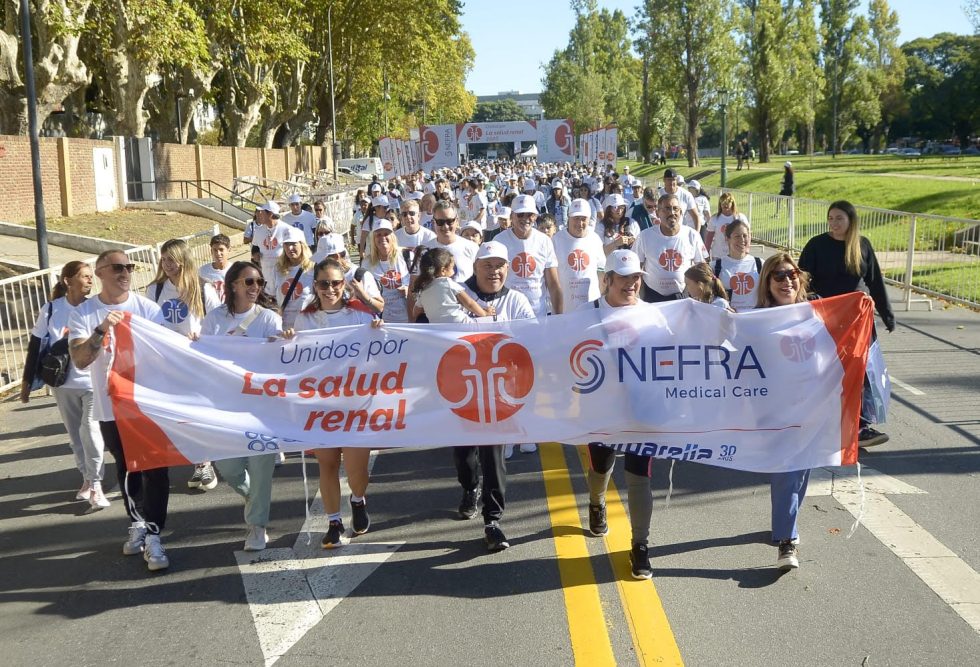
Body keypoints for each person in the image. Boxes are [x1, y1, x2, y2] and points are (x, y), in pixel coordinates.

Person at [68, 249, 169, 570]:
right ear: (99, 272)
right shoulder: (84, 313)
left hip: (147, 405)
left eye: (129, 267)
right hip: (111, 407)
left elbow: (166, 354)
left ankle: (154, 535)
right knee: (127, 468)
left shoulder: (147, 309)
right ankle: (137, 522)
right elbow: (80, 360)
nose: (125, 272)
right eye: (117, 267)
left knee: (156, 468)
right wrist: (101, 330)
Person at [289, 258, 382, 548]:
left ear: (344, 284)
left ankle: (358, 499)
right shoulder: (305, 319)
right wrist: (288, 340)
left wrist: (378, 330)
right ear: (315, 285)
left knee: (356, 471)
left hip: (356, 403)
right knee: (327, 464)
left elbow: (378, 354)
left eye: (336, 283)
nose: (330, 289)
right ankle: (333, 522)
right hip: (321, 404)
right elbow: (296, 358)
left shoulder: (360, 315)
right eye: (323, 283)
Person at [454, 241, 535, 550]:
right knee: (464, 455)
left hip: (498, 392)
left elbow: (534, 338)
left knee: (494, 455)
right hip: (462, 389)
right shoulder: (458, 294)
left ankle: (493, 520)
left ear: (508, 268)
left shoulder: (517, 300)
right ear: (475, 267)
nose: (494, 271)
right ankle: (469, 487)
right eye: (487, 265)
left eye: (500, 265)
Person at [581, 249, 657, 579]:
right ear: (607, 280)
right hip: (600, 408)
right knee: (601, 465)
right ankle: (596, 502)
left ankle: (640, 545)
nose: (631, 284)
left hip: (641, 409)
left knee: (639, 475)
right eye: (624, 278)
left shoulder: (652, 315)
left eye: (636, 277)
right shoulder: (585, 315)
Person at [199, 261, 284, 551]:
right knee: (230, 468)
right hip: (225, 405)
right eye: (249, 282)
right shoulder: (214, 320)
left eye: (259, 282)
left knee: (261, 469)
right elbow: (203, 357)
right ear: (233, 284)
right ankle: (254, 498)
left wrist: (282, 344)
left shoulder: (269, 319)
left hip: (262, 407)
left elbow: (279, 359)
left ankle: (257, 526)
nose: (255, 287)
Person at [798, 200, 895, 448]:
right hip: (826, 322)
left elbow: (874, 281)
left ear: (851, 220)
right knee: (829, 372)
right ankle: (824, 423)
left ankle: (860, 426)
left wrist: (887, 314)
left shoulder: (862, 246)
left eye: (839, 218)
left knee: (860, 373)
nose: (834, 223)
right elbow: (801, 279)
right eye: (830, 218)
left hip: (858, 323)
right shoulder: (817, 245)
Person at [21, 261, 109, 509]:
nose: (90, 280)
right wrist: (27, 382)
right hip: (62, 383)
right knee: (75, 435)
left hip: (92, 381)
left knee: (90, 430)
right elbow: (36, 346)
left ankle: (96, 484)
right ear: (67, 281)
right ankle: (86, 477)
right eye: (84, 276)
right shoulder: (51, 309)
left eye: (91, 276)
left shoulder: (95, 307)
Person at [755, 252, 814, 571]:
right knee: (787, 471)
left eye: (791, 274)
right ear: (767, 283)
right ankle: (786, 540)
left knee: (801, 471)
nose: (787, 280)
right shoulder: (756, 320)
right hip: (775, 411)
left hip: (813, 406)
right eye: (778, 276)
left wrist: (864, 306)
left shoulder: (816, 310)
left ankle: (785, 523)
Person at [147, 239, 222, 490]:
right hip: (169, 363)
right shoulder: (155, 290)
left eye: (172, 259)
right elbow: (150, 323)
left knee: (198, 413)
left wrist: (203, 338)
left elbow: (218, 321)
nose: (167, 264)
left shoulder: (203, 288)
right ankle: (201, 461)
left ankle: (205, 462)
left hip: (197, 361)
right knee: (182, 416)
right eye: (164, 259)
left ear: (183, 259)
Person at [495, 194, 564, 320]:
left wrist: (559, 319)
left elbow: (553, 284)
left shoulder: (544, 241)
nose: (525, 219)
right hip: (507, 316)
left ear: (535, 216)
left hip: (538, 316)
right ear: (512, 216)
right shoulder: (499, 241)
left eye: (530, 214)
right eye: (520, 214)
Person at [632, 193, 708, 302]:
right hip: (653, 296)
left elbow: (701, 266)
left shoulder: (692, 235)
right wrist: (638, 296)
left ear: (681, 212)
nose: (672, 213)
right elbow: (635, 267)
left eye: (675, 209)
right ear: (657, 213)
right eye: (667, 209)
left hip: (683, 295)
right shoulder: (644, 236)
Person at [412, 248, 494, 323]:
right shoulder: (448, 283)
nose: (454, 271)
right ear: (443, 270)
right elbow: (469, 304)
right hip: (460, 323)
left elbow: (416, 312)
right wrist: (485, 313)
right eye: (452, 267)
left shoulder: (424, 290)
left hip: (437, 328)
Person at [552, 198, 606, 311]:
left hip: (591, 306)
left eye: (583, 219)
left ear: (589, 219)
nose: (579, 223)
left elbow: (601, 272)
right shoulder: (556, 240)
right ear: (569, 218)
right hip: (566, 307)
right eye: (576, 218)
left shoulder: (595, 239)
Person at [362, 220, 411, 323]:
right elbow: (365, 293)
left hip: (409, 319)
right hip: (383, 321)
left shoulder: (407, 256)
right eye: (378, 235)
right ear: (373, 239)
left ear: (392, 236)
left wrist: (409, 290)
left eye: (386, 234)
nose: (382, 238)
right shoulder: (366, 263)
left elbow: (420, 284)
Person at [712, 219, 762, 312]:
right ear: (727, 238)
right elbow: (708, 295)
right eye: (737, 236)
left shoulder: (760, 264)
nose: (742, 240)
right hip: (728, 318)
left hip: (754, 318)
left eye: (745, 236)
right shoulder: (715, 266)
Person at [273, 226, 316, 329]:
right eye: (286, 244)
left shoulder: (313, 267)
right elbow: (273, 296)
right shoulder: (277, 268)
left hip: (306, 326)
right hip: (283, 327)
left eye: (293, 244)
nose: (290, 248)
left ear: (302, 245)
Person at [251, 200, 291, 295]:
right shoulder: (259, 231)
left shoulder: (287, 230)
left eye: (262, 212)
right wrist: (255, 254)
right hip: (266, 275)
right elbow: (255, 247)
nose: (259, 214)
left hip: (284, 274)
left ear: (270, 214)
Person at [704, 192, 748, 260]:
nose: (725, 205)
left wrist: (747, 248)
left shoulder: (740, 217)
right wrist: (706, 253)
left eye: (728, 203)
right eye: (723, 203)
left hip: (736, 254)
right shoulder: (714, 219)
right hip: (718, 255)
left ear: (732, 203)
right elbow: (709, 237)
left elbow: (748, 234)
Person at [199, 233, 231, 301]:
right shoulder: (202, 271)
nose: (218, 253)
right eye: (215, 250)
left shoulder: (236, 270)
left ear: (229, 250)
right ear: (211, 251)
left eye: (221, 249)